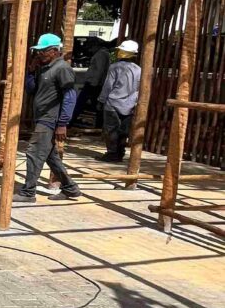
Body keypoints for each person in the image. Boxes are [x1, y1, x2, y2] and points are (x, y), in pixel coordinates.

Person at [15, 33, 82, 203]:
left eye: (42, 52)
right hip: (41, 118)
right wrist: (30, 72)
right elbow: (31, 90)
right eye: (38, 52)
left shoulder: (62, 69)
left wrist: (63, 123)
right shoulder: (44, 68)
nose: (39, 54)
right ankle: (70, 189)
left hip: (49, 119)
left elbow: (70, 96)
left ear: (53, 51)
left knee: (33, 153)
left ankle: (28, 192)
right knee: (51, 157)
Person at [97, 40, 141, 162]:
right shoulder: (138, 69)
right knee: (123, 131)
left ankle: (112, 153)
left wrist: (101, 100)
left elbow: (108, 86)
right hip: (130, 105)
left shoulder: (115, 67)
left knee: (111, 130)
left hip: (113, 104)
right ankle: (120, 153)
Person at [71, 34, 114, 127]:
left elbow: (99, 70)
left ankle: (70, 122)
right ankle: (99, 125)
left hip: (93, 84)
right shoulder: (103, 54)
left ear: (95, 46)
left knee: (81, 103)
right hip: (95, 83)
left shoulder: (101, 54)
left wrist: (93, 83)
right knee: (95, 105)